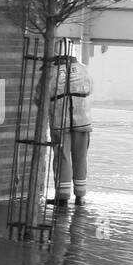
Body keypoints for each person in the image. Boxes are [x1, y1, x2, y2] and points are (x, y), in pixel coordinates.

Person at [49, 54, 93, 208]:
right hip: (82, 120)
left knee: (63, 157)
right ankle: (80, 197)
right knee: (81, 157)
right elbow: (90, 88)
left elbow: (40, 95)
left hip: (60, 121)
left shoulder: (51, 71)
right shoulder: (83, 69)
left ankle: (62, 197)